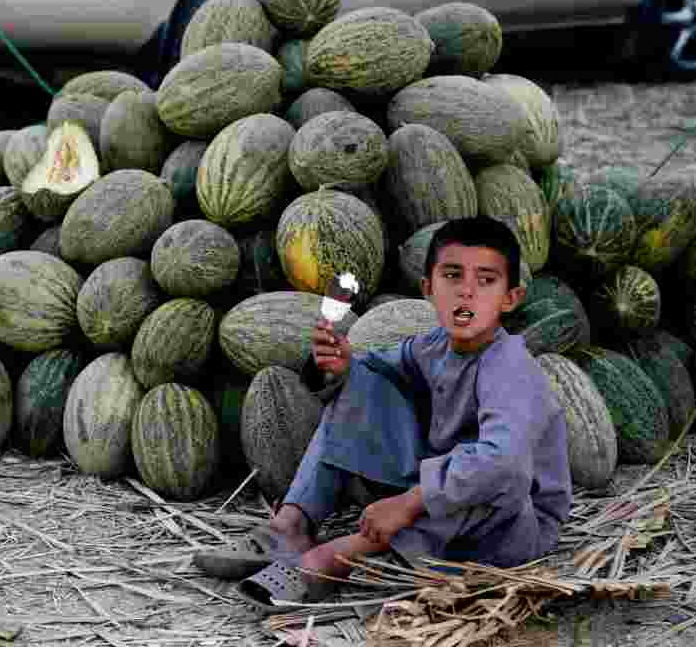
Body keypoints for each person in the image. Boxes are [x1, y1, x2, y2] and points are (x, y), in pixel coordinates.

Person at [193, 215, 573, 613]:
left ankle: (341, 556)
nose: (467, 293)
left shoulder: (509, 366)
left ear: (510, 298)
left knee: (495, 474)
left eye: (486, 281)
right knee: (360, 381)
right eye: (453, 276)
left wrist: (409, 501)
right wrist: (343, 364)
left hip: (514, 522)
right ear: (429, 289)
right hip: (446, 485)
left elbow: (504, 463)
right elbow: (375, 371)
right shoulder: (434, 345)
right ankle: (293, 525)